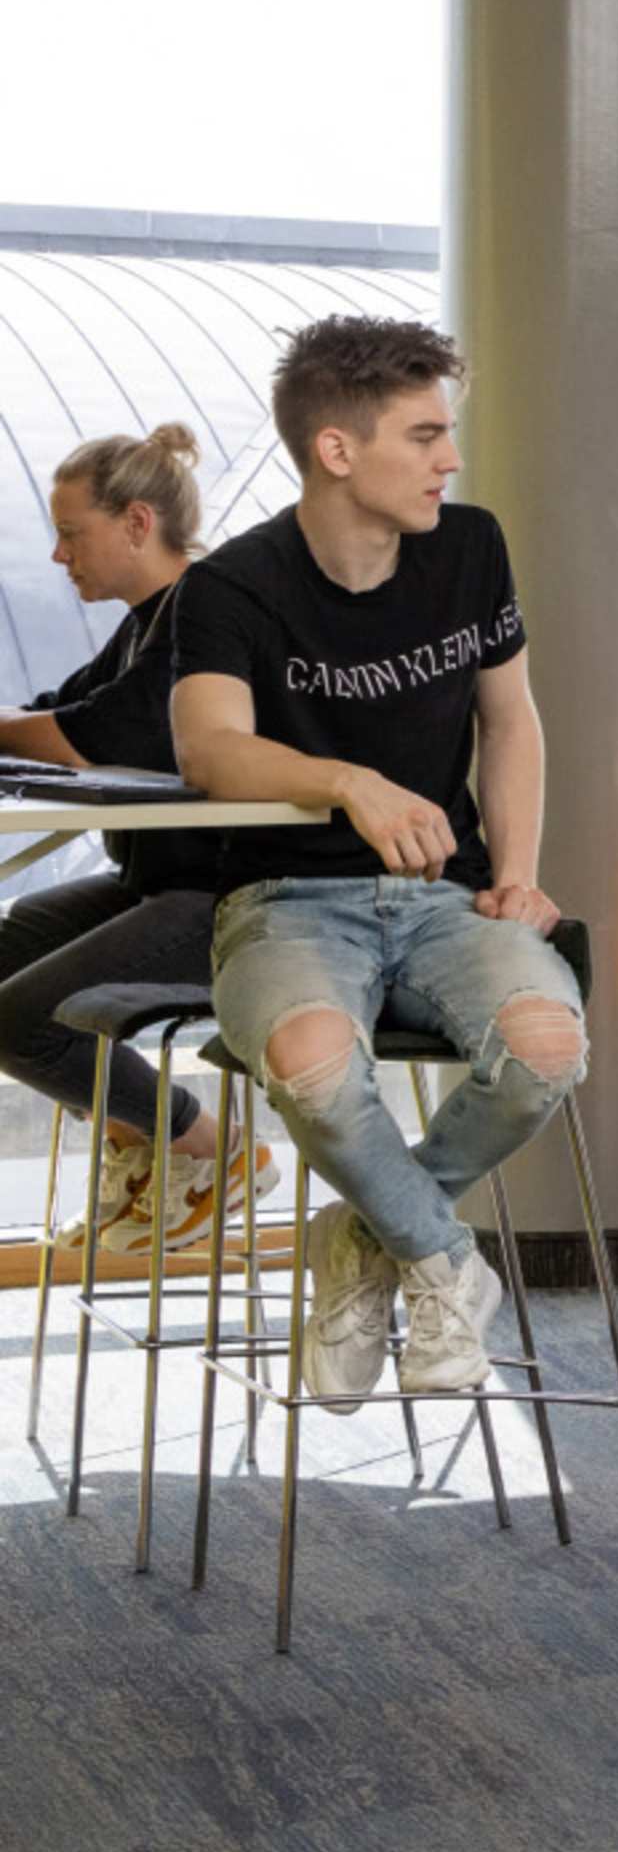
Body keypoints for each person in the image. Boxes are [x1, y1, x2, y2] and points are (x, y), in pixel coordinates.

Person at [169, 315, 585, 1411]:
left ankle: (364, 1238)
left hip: (446, 900)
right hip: (285, 902)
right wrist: (346, 781)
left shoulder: (471, 545)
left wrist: (521, 873)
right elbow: (208, 749)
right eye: (426, 435)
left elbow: (513, 723)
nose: (451, 459)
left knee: (545, 1048)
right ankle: (443, 1260)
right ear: (337, 451)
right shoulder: (232, 587)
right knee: (310, 1064)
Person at [0, 424, 278, 1252]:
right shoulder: (150, 620)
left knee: (18, 1021)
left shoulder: (207, 611)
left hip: (229, 896)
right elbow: (63, 708)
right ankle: (147, 1143)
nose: (58, 556)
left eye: (71, 533)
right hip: (157, 882)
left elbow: (102, 731)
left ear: (136, 523)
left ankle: (208, 1147)